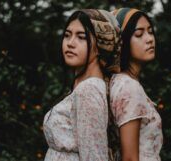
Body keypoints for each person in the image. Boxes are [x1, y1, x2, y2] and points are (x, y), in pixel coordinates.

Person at [43, 9, 120, 161]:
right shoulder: (86, 87)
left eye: (81, 37)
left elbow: (94, 157)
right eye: (67, 35)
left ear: (101, 44)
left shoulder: (88, 90)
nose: (70, 43)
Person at [110, 8, 163, 161]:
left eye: (150, 32)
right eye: (139, 34)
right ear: (122, 41)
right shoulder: (128, 87)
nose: (149, 39)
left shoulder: (120, 81)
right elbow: (130, 158)